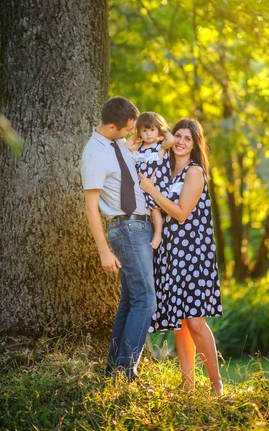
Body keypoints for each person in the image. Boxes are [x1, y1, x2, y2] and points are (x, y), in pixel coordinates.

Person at [139, 119, 223, 395]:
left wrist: (151, 190)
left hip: (193, 255)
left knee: (196, 321)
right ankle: (188, 387)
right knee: (180, 322)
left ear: (195, 144)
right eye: (178, 135)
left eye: (188, 137)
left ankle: (216, 385)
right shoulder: (168, 170)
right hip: (171, 255)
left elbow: (181, 212)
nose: (182, 141)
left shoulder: (194, 171)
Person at [80, 96, 156, 380]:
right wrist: (103, 251)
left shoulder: (117, 146)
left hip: (139, 226)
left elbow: (129, 150)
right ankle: (126, 371)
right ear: (112, 126)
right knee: (146, 300)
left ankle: (114, 367)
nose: (131, 134)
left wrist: (129, 144)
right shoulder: (94, 154)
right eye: (127, 129)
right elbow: (91, 206)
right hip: (127, 229)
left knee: (130, 300)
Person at [126, 111, 174, 250]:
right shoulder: (139, 147)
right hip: (142, 187)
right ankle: (151, 233)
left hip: (157, 185)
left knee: (155, 209)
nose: (148, 134)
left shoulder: (160, 146)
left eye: (152, 130)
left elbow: (171, 140)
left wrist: (162, 130)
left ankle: (158, 234)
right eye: (144, 131)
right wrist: (137, 133)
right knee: (147, 211)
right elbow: (126, 146)